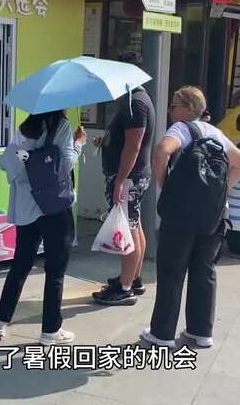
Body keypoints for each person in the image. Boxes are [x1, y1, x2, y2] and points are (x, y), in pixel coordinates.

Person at [140, 86, 240, 349]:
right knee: (204, 270)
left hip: (181, 214)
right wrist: (221, 193)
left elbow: (162, 151)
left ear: (188, 109)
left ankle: (162, 335)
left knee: (172, 272)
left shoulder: (181, 129)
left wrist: (165, 185)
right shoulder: (215, 132)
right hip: (213, 215)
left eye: (174, 105)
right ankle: (201, 332)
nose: (170, 110)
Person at [0, 111, 85, 345]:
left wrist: (28, 161)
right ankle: (50, 331)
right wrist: (78, 144)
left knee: (20, 266)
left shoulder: (26, 127)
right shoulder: (60, 125)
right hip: (53, 208)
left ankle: (0, 322)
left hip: (26, 207)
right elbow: (65, 163)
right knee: (55, 271)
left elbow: (5, 162)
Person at [91, 51, 156, 306]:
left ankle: (125, 287)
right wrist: (108, 141)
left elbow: (134, 146)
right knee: (134, 225)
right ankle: (133, 278)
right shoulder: (136, 99)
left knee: (127, 229)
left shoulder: (135, 103)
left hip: (130, 177)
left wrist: (120, 180)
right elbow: (128, 141)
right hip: (134, 175)